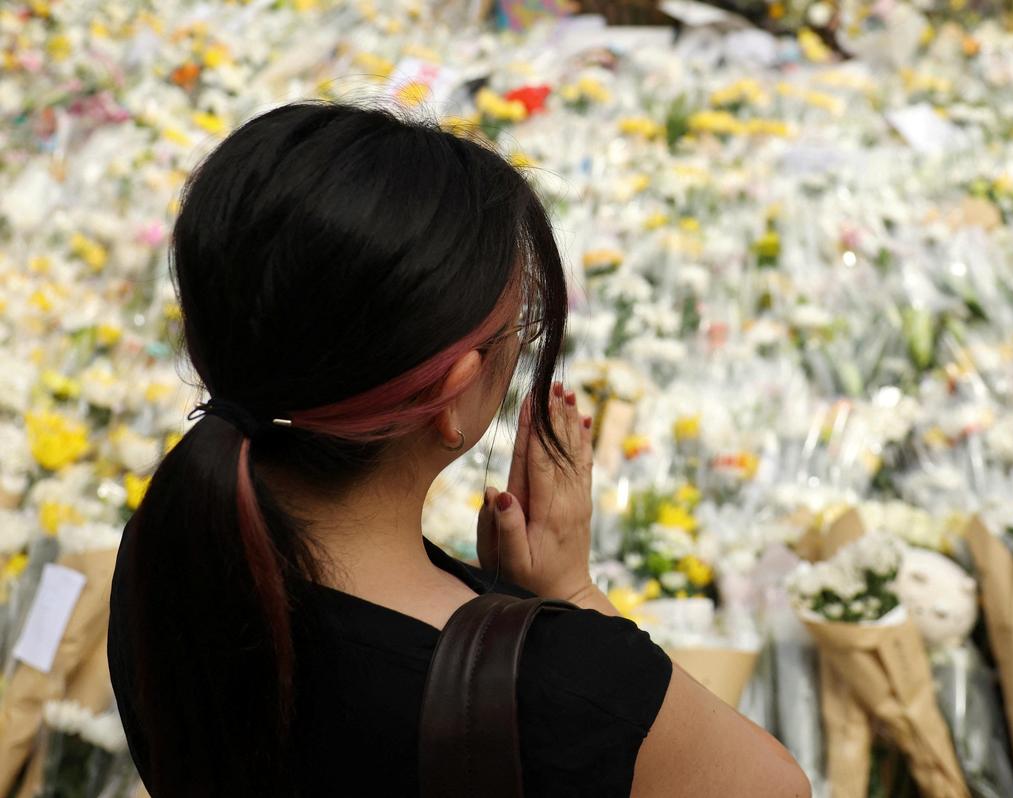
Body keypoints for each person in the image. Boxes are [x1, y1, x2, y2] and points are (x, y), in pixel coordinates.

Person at [107, 101, 811, 798]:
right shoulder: (551, 685)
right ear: (449, 396)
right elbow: (778, 788)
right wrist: (570, 591)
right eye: (517, 332)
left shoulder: (169, 551)